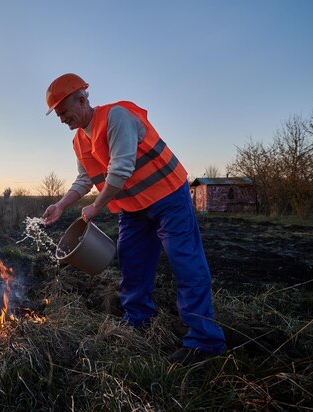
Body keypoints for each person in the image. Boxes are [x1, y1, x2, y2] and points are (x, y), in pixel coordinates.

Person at [42, 73, 226, 365]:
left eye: (64, 111)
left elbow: (120, 170)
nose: (62, 119)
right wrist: (62, 204)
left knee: (185, 262)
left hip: (168, 197)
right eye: (58, 114)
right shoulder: (79, 141)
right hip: (133, 209)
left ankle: (205, 341)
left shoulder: (117, 117)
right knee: (131, 264)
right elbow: (84, 180)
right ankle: (138, 320)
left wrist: (96, 208)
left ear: (81, 99)